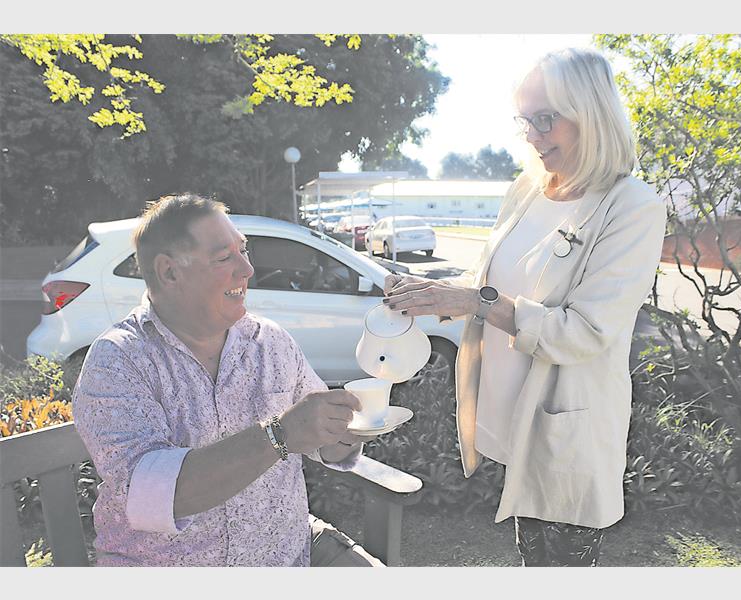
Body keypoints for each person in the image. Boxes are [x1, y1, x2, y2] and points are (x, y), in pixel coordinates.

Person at [383, 48, 667, 567]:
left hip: (566, 432)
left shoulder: (632, 207)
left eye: (545, 119)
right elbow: (489, 283)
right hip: (514, 422)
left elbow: (584, 331)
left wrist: (475, 301)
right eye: (525, 121)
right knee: (530, 559)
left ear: (591, 113)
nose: (532, 136)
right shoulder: (527, 190)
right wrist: (431, 294)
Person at [72, 194, 374, 567]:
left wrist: (342, 433)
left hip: (287, 555)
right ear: (169, 272)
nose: (247, 269)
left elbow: (320, 443)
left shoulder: (270, 341)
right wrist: (278, 436)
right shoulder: (119, 360)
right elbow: (156, 498)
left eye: (243, 251)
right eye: (223, 258)